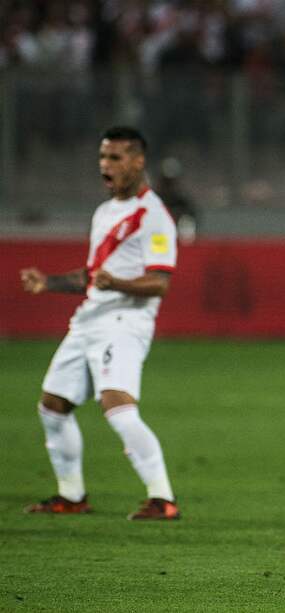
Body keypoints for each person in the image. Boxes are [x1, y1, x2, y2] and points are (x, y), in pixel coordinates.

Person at [20, 126, 181, 521]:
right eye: (102, 157)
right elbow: (92, 276)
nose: (105, 166)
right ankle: (71, 495)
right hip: (89, 319)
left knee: (117, 407)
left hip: (124, 322)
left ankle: (163, 498)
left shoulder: (154, 216)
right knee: (53, 406)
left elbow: (159, 283)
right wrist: (50, 282)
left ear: (138, 161)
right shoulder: (106, 213)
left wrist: (119, 282)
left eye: (114, 158)